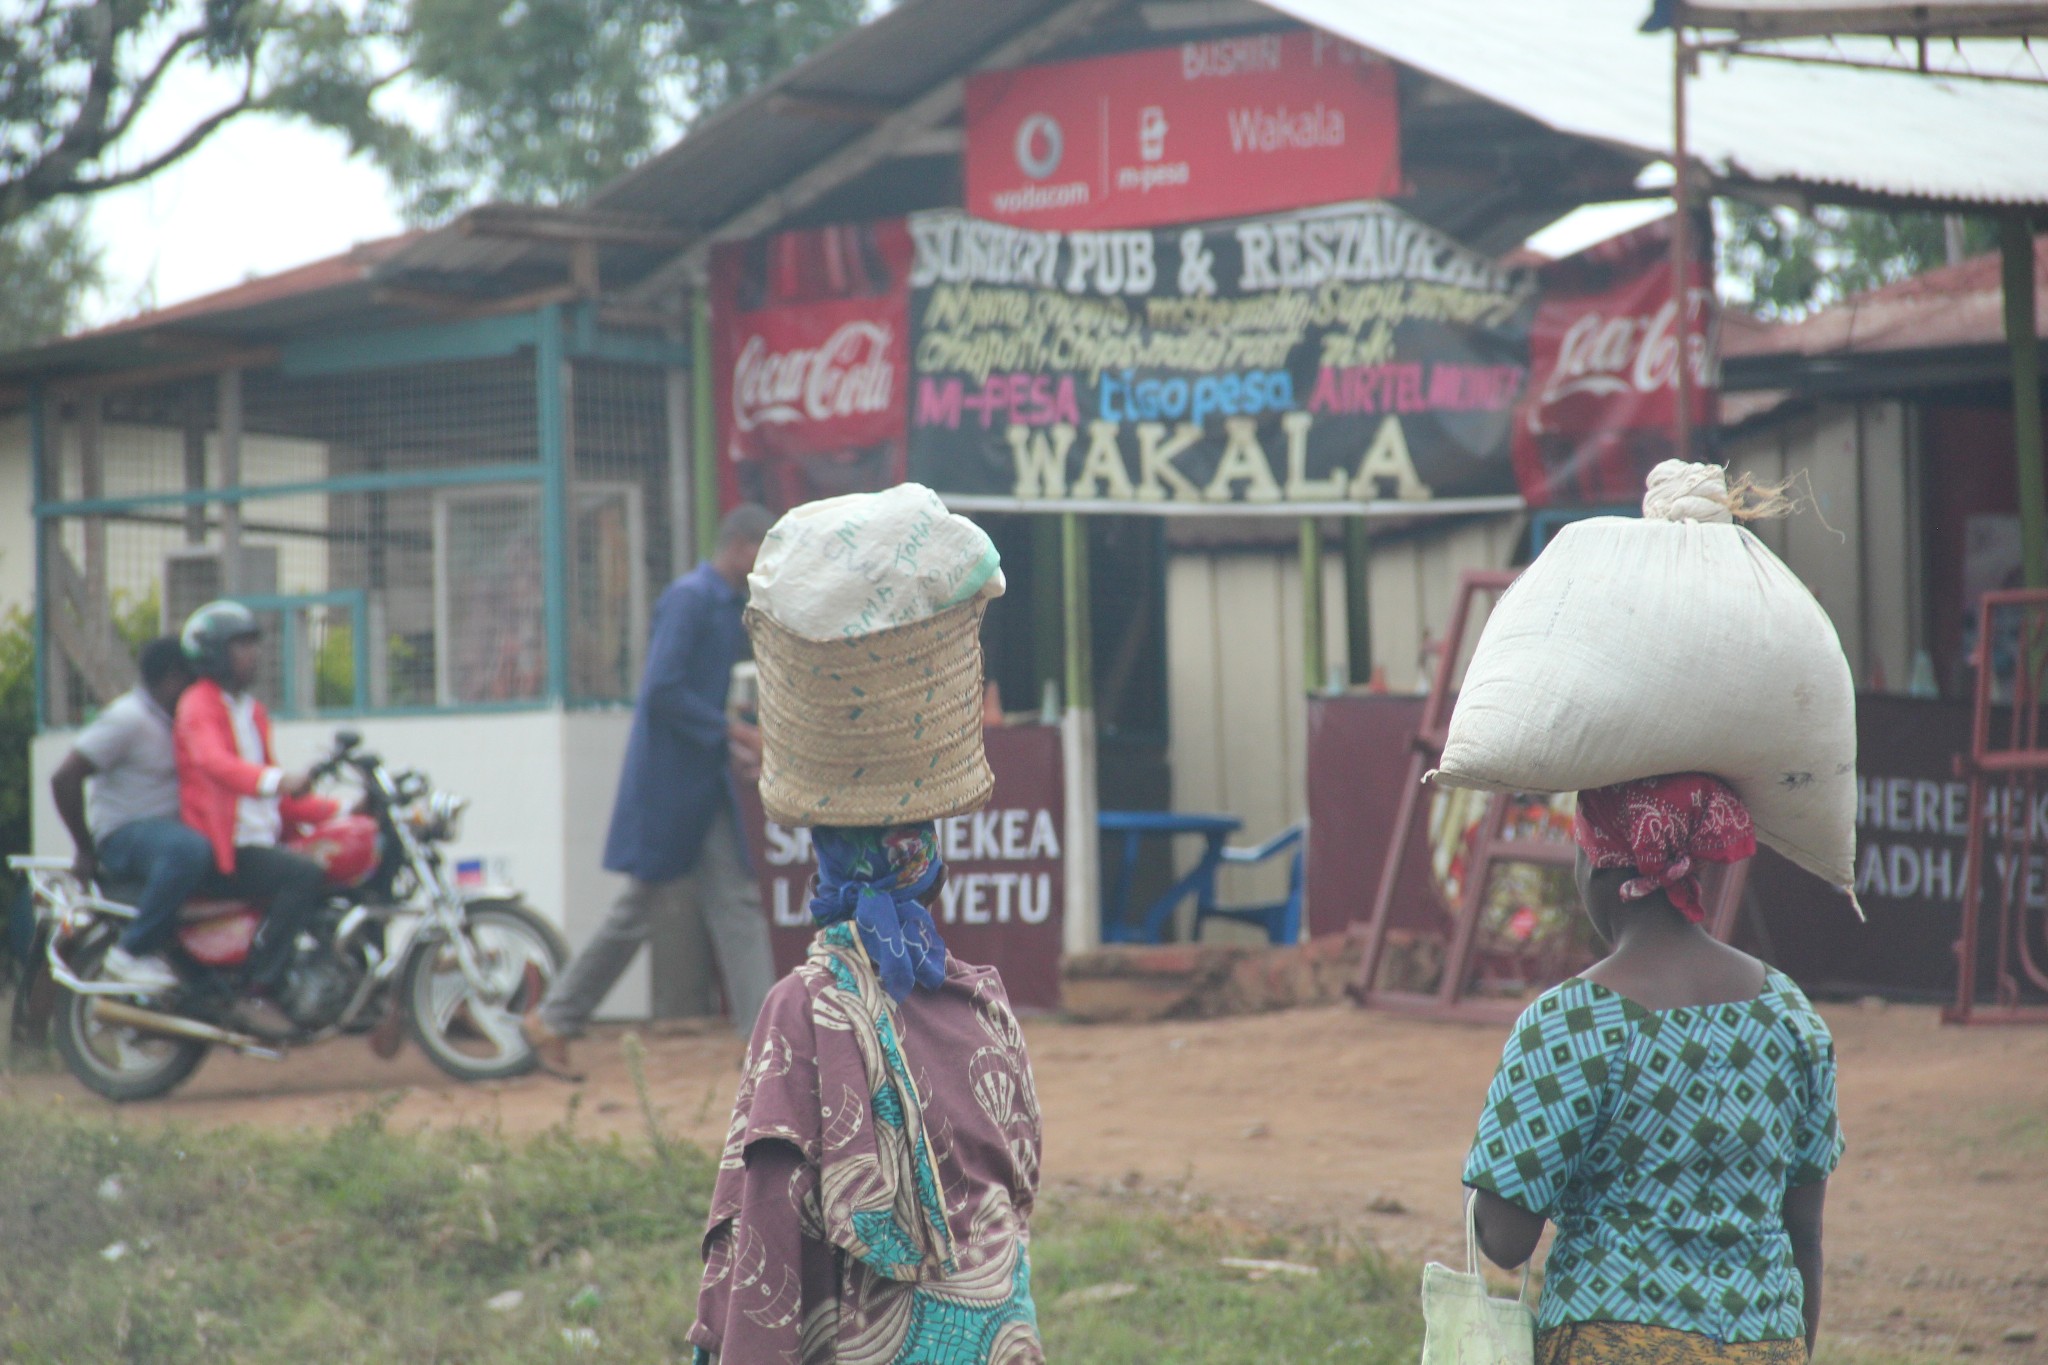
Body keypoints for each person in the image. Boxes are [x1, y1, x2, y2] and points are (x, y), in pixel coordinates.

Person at [1462, 774, 1843, 1365]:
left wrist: (1497, 1161)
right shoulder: (1790, 1014)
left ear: (1596, 867)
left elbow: (1506, 1239)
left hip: (1611, 1341)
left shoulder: (1571, 1021)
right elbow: (1806, 1236)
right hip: (1767, 1343)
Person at [689, 823, 1043, 1365]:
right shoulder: (986, 1006)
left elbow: (770, 1209)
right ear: (935, 879)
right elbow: (1022, 1188)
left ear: (822, 886)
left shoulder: (804, 1005)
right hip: (999, 1342)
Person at [522, 504, 780, 1080]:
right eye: (764, 551)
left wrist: (726, 738)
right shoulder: (691, 599)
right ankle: (553, 1018)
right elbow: (660, 688)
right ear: (740, 547)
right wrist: (729, 731)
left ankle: (765, 1042)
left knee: (736, 905)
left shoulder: (723, 604)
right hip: (669, 785)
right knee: (640, 910)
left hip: (699, 781)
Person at [174, 601, 338, 1008]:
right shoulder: (198, 705)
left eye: (253, 644)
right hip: (226, 850)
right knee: (302, 875)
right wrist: (278, 780)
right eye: (241, 645)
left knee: (334, 864)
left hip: (260, 841)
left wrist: (338, 811)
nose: (253, 654)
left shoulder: (251, 712)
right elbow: (215, 763)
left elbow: (278, 798)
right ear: (213, 654)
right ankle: (261, 985)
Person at [48, 637, 215, 992]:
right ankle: (130, 952)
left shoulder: (174, 720)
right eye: (193, 678)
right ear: (172, 677)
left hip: (163, 837)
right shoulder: (129, 719)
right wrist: (84, 847)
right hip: (125, 835)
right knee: (189, 850)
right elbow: (65, 777)